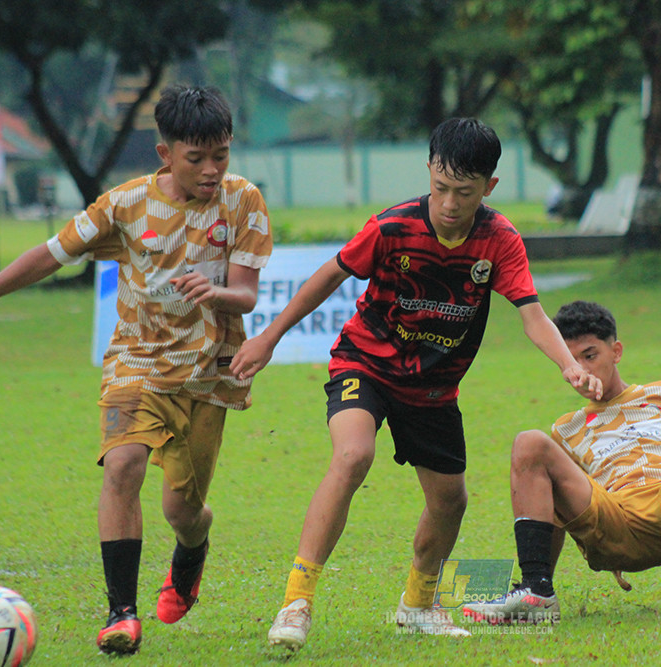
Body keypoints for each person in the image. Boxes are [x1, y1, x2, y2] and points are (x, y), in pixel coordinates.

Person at [229, 117, 601, 649]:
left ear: (489, 188)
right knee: (353, 455)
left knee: (451, 501)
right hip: (366, 363)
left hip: (433, 387)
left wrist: (567, 363)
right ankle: (296, 602)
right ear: (429, 171)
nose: (449, 203)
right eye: (441, 187)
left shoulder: (498, 240)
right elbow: (329, 275)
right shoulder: (392, 227)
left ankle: (418, 605)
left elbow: (533, 314)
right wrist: (269, 338)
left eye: (464, 192)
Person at [0, 85, 273, 654]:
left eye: (222, 155)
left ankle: (193, 546)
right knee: (123, 465)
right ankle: (121, 614)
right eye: (197, 158)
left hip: (210, 373)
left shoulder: (243, 201)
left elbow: (248, 295)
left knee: (181, 509)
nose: (212, 170)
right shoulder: (124, 204)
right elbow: (50, 253)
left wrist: (216, 291)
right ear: (166, 154)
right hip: (135, 362)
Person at [462, 300, 661, 626]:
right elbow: (559, 515)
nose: (582, 370)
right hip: (611, 524)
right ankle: (536, 592)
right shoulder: (565, 429)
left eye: (590, 356)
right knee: (529, 442)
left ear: (615, 351)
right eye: (571, 361)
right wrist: (591, 544)